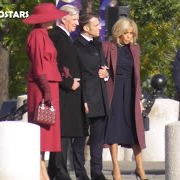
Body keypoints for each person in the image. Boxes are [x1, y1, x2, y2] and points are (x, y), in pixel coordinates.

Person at [23, 3, 68, 180]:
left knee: (46, 130)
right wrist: (46, 89)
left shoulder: (43, 35)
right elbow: (39, 65)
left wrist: (60, 71)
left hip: (49, 84)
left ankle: (42, 171)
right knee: (41, 129)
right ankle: (41, 173)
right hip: (43, 86)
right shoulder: (37, 36)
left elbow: (47, 62)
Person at [102, 18, 148, 180]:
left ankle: (140, 168)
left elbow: (137, 77)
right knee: (113, 129)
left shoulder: (135, 49)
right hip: (114, 92)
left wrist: (140, 99)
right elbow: (102, 70)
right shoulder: (108, 47)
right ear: (118, 33)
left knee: (135, 130)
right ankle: (116, 168)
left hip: (131, 92)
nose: (129, 36)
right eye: (126, 33)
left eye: (131, 33)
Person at [47, 5, 89, 180]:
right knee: (62, 134)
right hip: (63, 93)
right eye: (75, 19)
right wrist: (68, 82)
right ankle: (60, 172)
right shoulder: (55, 35)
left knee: (66, 134)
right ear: (64, 18)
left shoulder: (65, 37)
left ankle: (55, 171)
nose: (77, 23)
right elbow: (52, 63)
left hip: (71, 95)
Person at [74, 13, 110, 180]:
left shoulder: (98, 45)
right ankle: (81, 174)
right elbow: (78, 74)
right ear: (86, 28)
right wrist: (83, 99)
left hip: (100, 99)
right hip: (85, 99)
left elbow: (103, 68)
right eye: (96, 25)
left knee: (97, 140)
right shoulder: (76, 46)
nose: (100, 27)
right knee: (80, 140)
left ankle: (97, 172)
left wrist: (106, 74)